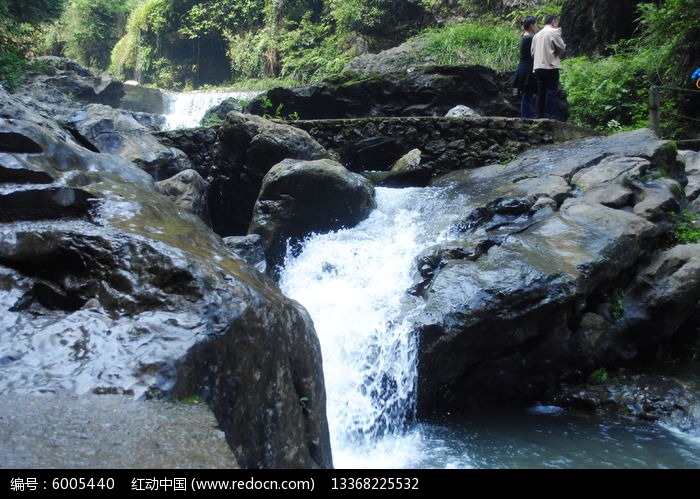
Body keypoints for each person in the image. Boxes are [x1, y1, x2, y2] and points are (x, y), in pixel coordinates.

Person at [531, 14, 566, 120]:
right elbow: (562, 47)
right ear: (553, 22)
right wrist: (559, 32)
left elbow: (532, 53)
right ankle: (551, 115)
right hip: (550, 66)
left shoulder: (536, 35)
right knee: (551, 91)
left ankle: (539, 115)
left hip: (538, 67)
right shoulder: (553, 32)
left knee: (541, 92)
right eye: (556, 23)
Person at [513, 16, 538, 119]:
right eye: (536, 24)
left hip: (524, 68)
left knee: (528, 93)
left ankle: (527, 115)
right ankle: (526, 117)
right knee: (527, 93)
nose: (537, 27)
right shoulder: (529, 38)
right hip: (527, 69)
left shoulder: (525, 37)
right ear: (531, 25)